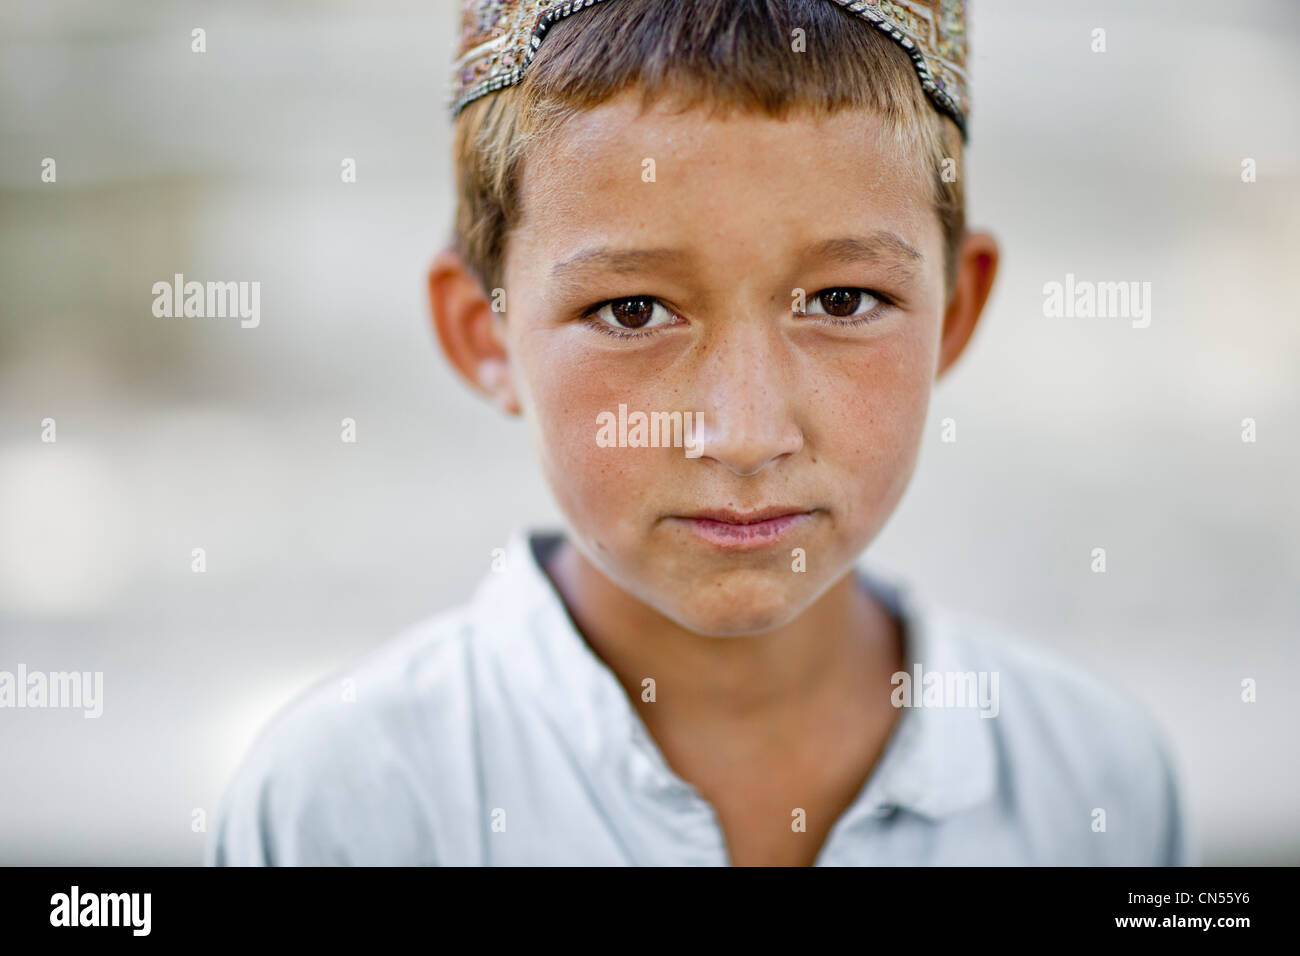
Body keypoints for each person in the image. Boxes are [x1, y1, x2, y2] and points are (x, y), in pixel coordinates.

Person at [209, 0, 1189, 866]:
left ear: (955, 311)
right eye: (633, 312)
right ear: (485, 330)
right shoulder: (346, 807)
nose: (743, 434)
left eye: (843, 299)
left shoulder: (1091, 784)